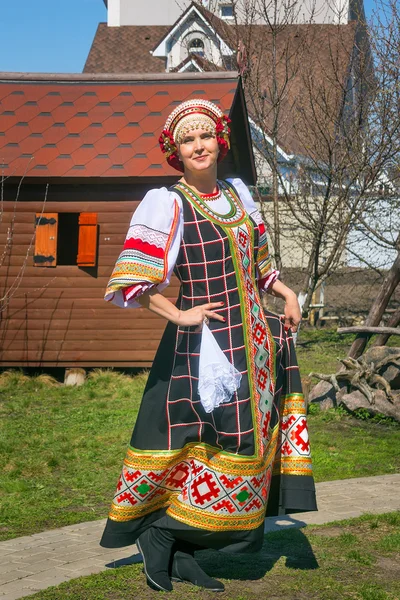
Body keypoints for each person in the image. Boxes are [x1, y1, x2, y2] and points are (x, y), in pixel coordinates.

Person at [100, 99, 317, 592]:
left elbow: (260, 263)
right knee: (209, 443)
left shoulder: (239, 196)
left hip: (256, 345)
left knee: (245, 447)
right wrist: (178, 313)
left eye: (204, 135)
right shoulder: (168, 202)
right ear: (175, 151)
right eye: (186, 139)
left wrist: (285, 291)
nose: (198, 145)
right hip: (206, 349)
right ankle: (160, 535)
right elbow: (130, 280)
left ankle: (181, 549)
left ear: (219, 140)